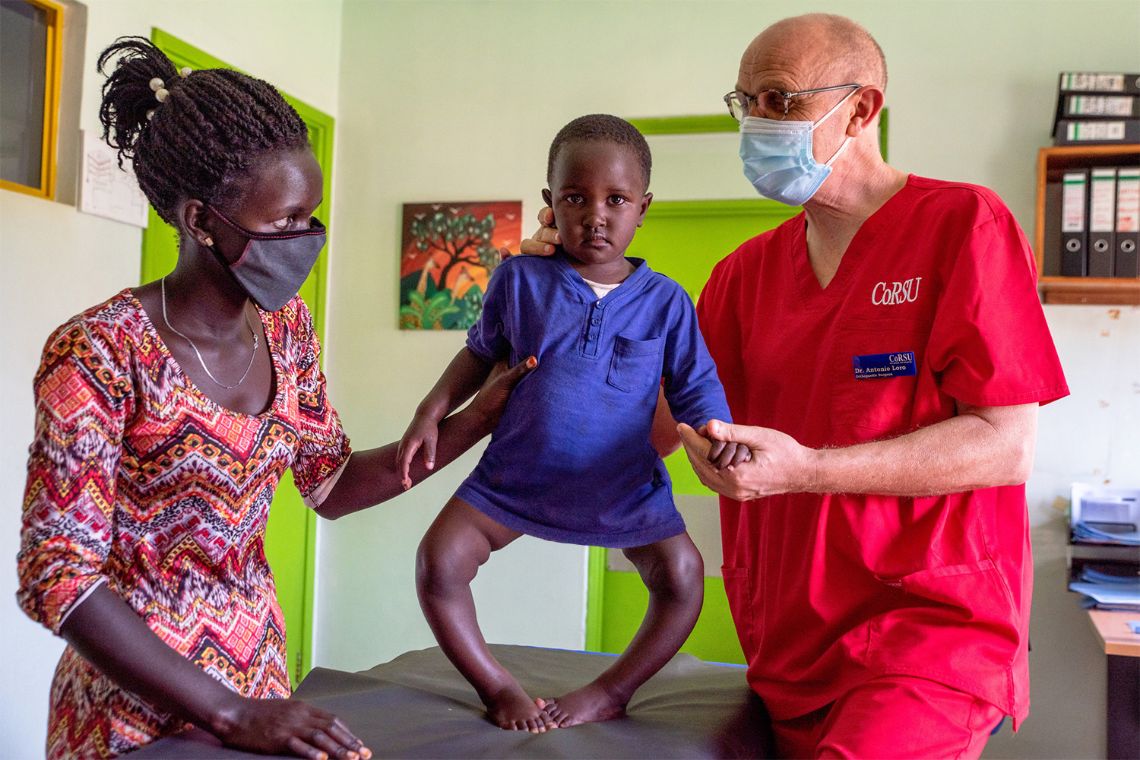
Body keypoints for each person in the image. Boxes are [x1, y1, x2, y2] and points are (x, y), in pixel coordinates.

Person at [519, 14, 1069, 759]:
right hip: (785, 649)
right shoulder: (742, 278)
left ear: (862, 108)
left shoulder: (964, 225)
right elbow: (636, 429)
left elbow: (1005, 446)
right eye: (745, 104)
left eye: (780, 101)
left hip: (929, 638)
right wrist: (567, 298)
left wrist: (808, 470)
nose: (757, 124)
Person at [16, 37, 534, 759]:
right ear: (201, 222)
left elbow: (332, 482)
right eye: (287, 221)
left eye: (312, 216)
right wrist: (227, 714)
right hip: (132, 715)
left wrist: (479, 417)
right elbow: (56, 574)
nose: (309, 238)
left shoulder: (286, 329)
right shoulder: (100, 351)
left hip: (260, 685)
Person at [398, 114, 746, 733]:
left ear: (644, 208)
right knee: (437, 563)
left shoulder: (667, 300)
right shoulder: (518, 278)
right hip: (517, 478)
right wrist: (432, 409)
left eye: (616, 200)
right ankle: (498, 687)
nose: (596, 216)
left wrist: (720, 436)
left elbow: (695, 386)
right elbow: (479, 352)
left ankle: (612, 690)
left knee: (684, 578)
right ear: (550, 205)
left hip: (621, 486)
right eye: (575, 198)